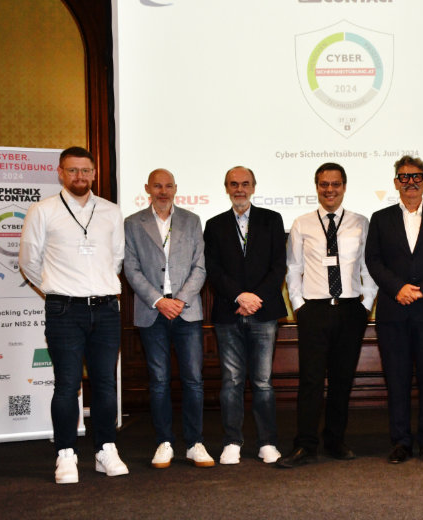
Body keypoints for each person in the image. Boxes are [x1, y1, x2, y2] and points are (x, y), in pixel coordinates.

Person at [19, 146, 128, 484]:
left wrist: (95, 286)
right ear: (60, 173)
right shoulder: (43, 210)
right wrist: (58, 288)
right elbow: (29, 261)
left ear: (94, 173)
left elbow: (117, 258)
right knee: (67, 384)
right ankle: (66, 453)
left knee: (106, 383)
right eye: (72, 170)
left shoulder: (110, 211)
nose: (80, 176)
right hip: (64, 309)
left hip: (106, 308)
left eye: (85, 170)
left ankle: (105, 449)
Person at [277, 163, 378, 468]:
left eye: (335, 184)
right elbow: (293, 268)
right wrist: (299, 306)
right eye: (324, 184)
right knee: (310, 381)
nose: (329, 190)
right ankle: (305, 445)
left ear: (344, 187)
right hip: (314, 310)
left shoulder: (360, 222)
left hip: (350, 310)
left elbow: (369, 267)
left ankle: (335, 440)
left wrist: (365, 304)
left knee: (341, 380)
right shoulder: (302, 223)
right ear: (317, 187)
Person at [365, 155, 423, 464]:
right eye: (404, 177)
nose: (411, 182)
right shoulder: (380, 218)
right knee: (397, 380)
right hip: (394, 312)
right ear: (396, 183)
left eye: (416, 176)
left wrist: (422, 289)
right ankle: (401, 442)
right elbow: (373, 260)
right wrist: (398, 288)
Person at [123, 168, 213, 469]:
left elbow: (200, 266)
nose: (163, 191)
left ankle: (195, 443)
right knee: (159, 381)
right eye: (157, 186)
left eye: (168, 186)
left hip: (187, 311)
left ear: (176, 188)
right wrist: (159, 301)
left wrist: (180, 300)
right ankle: (164, 442)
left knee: (193, 380)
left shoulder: (192, 220)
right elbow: (131, 269)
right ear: (147, 188)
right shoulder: (133, 223)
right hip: (152, 311)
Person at [203, 166, 287, 465]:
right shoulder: (214, 225)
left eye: (245, 184)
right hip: (229, 312)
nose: (239, 189)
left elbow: (279, 265)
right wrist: (239, 297)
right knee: (231, 381)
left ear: (253, 187)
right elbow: (213, 269)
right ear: (227, 188)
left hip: (264, 312)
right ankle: (232, 442)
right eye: (234, 184)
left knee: (263, 382)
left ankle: (267, 442)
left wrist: (254, 298)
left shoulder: (272, 219)